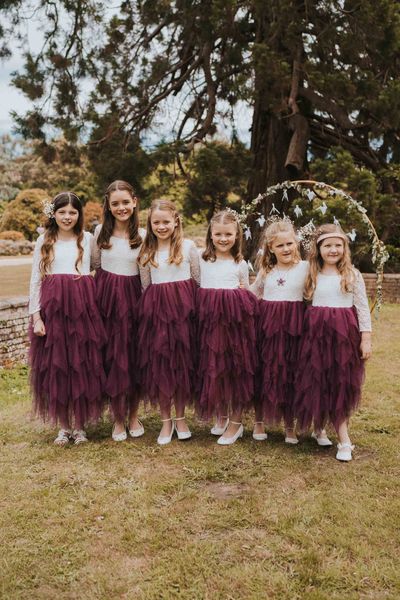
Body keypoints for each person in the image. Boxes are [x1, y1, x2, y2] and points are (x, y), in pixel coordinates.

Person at [29, 192, 105, 445]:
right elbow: (36, 279)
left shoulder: (87, 238)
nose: (67, 217)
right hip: (54, 309)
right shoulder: (44, 240)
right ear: (54, 213)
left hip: (82, 307)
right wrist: (36, 316)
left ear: (79, 215)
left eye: (73, 212)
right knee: (58, 365)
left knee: (81, 363)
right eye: (62, 212)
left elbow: (95, 265)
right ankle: (63, 426)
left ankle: (80, 426)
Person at [294, 223, 372, 461]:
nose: (333, 249)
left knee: (340, 382)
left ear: (344, 248)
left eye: (338, 245)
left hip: (343, 336)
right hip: (316, 335)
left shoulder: (352, 274)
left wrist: (366, 337)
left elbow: (362, 307)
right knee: (318, 379)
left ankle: (344, 439)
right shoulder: (311, 273)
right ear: (318, 249)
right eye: (328, 245)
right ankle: (319, 426)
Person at [251, 220, 324, 444]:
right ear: (270, 248)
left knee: (291, 373)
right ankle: (259, 420)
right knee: (265, 371)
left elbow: (317, 293)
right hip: (269, 328)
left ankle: (289, 425)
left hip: (295, 328)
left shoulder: (305, 268)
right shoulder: (267, 270)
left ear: (296, 243)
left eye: (289, 244)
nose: (286, 249)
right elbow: (253, 294)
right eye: (280, 245)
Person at [137, 199, 200, 445]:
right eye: (156, 222)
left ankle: (181, 417)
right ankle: (165, 421)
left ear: (176, 221)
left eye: (166, 221)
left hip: (184, 315)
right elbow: (145, 286)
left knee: (182, 365)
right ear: (150, 224)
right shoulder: (146, 252)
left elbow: (197, 280)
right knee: (161, 366)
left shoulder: (188, 246)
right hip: (157, 316)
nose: (161, 226)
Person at [197, 210, 258, 445]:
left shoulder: (240, 263)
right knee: (215, 368)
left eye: (228, 234)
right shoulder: (202, 260)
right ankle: (221, 414)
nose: (223, 239)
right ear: (211, 235)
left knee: (234, 370)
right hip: (210, 323)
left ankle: (236, 422)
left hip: (234, 325)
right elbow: (197, 284)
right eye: (218, 234)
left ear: (237, 236)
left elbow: (247, 290)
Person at [92, 180, 145, 441]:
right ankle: (117, 420)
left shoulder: (144, 236)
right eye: (115, 204)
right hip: (106, 301)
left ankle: (134, 415)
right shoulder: (100, 232)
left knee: (133, 357)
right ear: (108, 206)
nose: (121, 207)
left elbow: (148, 270)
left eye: (125, 202)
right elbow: (91, 264)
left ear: (134, 202)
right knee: (112, 358)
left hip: (134, 299)